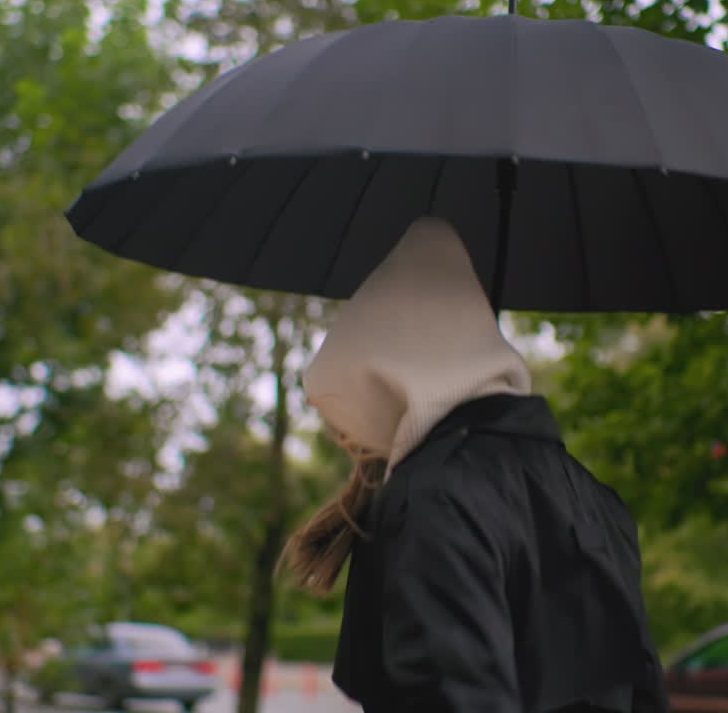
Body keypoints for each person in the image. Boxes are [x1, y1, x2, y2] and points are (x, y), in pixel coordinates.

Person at [279, 217, 668, 713]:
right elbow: (645, 692)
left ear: (390, 380)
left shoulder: (434, 495)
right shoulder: (593, 497)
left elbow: (454, 696)